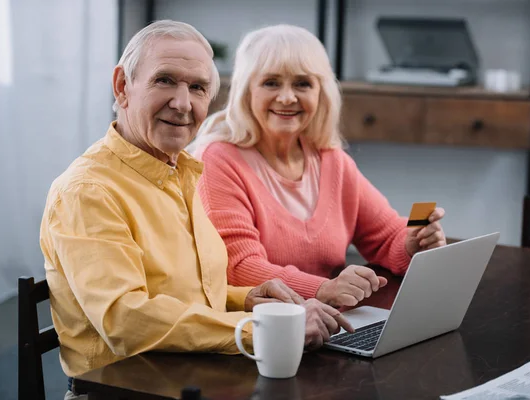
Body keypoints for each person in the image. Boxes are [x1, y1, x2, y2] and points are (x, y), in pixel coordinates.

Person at [39, 20, 352, 400]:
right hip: (124, 389)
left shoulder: (180, 172)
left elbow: (185, 293)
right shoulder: (88, 192)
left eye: (198, 87)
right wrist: (259, 329)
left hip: (192, 375)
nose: (183, 103)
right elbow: (126, 319)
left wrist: (248, 298)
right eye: (165, 80)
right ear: (123, 86)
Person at [191, 25, 446, 309]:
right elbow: (239, 268)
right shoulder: (217, 160)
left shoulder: (331, 161)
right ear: (246, 90)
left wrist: (414, 242)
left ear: (321, 93)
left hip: (328, 325)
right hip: (257, 333)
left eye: (303, 84)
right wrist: (323, 289)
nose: (287, 98)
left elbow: (387, 234)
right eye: (271, 83)